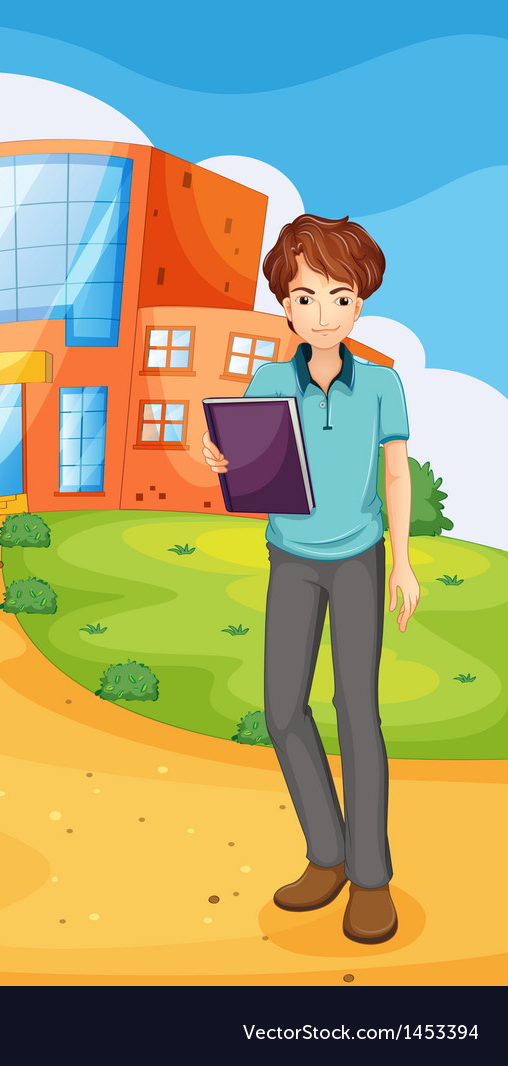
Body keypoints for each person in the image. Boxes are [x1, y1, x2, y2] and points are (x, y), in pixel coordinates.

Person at [202, 214, 418, 944]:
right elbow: (251, 463)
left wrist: (408, 562)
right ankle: (326, 855)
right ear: (284, 303)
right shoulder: (267, 379)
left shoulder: (383, 384)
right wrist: (220, 459)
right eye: (303, 297)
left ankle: (370, 878)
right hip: (290, 555)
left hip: (359, 557)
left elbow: (396, 473)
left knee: (358, 712)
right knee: (283, 712)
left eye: (338, 297)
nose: (320, 314)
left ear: (360, 301)